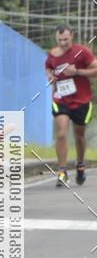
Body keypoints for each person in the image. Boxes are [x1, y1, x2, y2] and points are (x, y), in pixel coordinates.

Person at [45, 24, 97, 187]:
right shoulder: (53, 53)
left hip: (81, 100)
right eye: (59, 40)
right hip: (61, 99)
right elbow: (48, 67)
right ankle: (62, 172)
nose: (62, 43)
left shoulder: (82, 52)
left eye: (66, 40)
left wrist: (77, 72)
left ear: (72, 36)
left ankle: (80, 164)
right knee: (61, 134)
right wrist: (50, 76)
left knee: (79, 135)